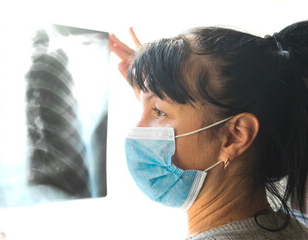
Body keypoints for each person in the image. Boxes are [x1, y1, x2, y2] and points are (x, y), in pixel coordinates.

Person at [109, 22, 308, 239]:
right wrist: (155, 88)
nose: (137, 131)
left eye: (158, 112)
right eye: (142, 105)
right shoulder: (295, 229)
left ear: (234, 136)